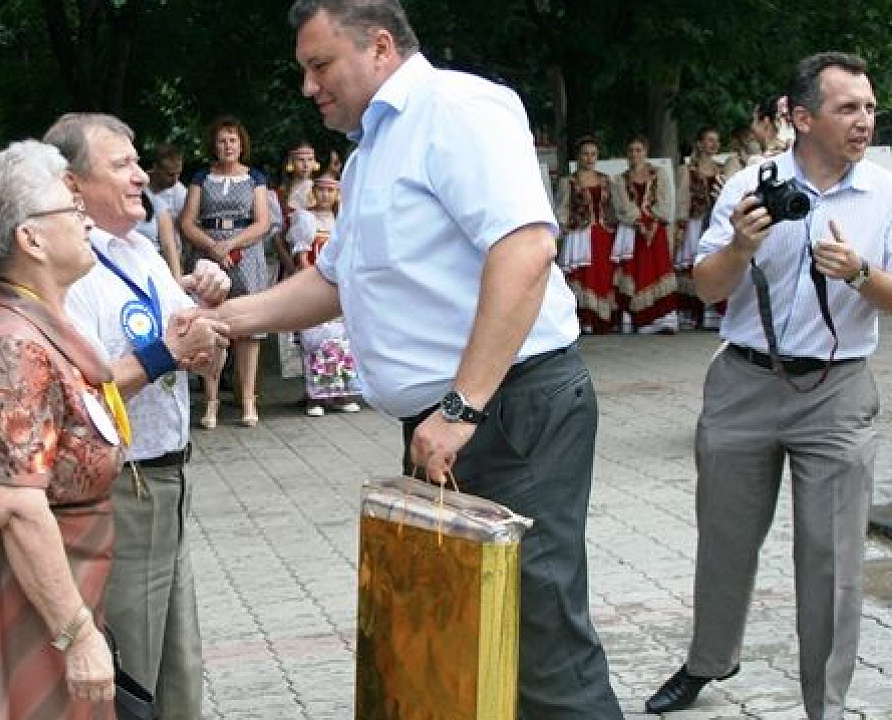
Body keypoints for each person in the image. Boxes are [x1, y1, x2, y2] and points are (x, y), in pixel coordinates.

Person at [215, 2, 625, 718]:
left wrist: (462, 406)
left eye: (320, 65)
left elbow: (525, 248)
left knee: (539, 652)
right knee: (463, 646)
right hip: (452, 424)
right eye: (304, 70)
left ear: (379, 46)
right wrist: (221, 320)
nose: (309, 87)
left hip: (505, 412)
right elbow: (332, 281)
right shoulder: (372, 150)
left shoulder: (456, 109)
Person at [645, 52, 891, 720]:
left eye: (870, 107)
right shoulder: (749, 185)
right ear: (802, 118)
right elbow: (707, 288)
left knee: (832, 560)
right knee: (724, 540)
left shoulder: (884, 193)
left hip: (838, 392)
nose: (865, 120)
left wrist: (860, 273)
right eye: (848, 107)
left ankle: (826, 706)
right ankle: (708, 660)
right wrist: (740, 248)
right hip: (744, 384)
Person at [0, 139, 126, 719]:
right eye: (71, 207)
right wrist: (77, 633)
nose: (87, 219)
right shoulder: (14, 346)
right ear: (30, 238)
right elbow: (13, 504)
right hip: (19, 592)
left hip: (39, 582)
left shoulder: (26, 323)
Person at [45, 112, 232, 720]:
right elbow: (75, 393)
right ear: (72, 185)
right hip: (121, 493)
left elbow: (202, 357)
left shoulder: (140, 252)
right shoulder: (68, 272)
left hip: (167, 484)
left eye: (137, 161)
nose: (141, 175)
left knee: (178, 675)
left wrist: (209, 320)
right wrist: (165, 352)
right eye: (121, 164)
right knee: (128, 677)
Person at [178, 116, 273, 429]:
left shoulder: (255, 178)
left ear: (242, 144)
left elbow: (263, 222)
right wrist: (212, 246)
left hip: (247, 252)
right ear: (214, 146)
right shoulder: (201, 178)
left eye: (233, 140)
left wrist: (231, 244)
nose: (228, 146)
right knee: (209, 322)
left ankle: (247, 400)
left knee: (249, 326)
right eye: (222, 140)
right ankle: (211, 403)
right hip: (208, 251)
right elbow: (187, 222)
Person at [286, 173, 361, 415]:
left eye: (331, 190)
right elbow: (302, 257)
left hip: (340, 285)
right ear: (313, 192)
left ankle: (341, 393)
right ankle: (316, 397)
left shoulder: (343, 220)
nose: (325, 195)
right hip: (316, 282)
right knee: (316, 340)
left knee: (342, 342)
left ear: (338, 194)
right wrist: (314, 280)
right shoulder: (306, 219)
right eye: (321, 190)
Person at [615, 135, 679, 334]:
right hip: (633, 231)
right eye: (631, 150)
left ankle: (664, 317)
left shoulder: (658, 174)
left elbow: (665, 201)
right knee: (637, 270)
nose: (635, 154)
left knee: (658, 268)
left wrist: (653, 222)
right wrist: (639, 222)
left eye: (639, 150)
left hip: (656, 229)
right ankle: (643, 318)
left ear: (646, 152)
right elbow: (622, 206)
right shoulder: (620, 180)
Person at [556, 136, 621, 334]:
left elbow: (613, 207)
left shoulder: (606, 180)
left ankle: (603, 318)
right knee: (583, 276)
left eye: (593, 154)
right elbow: (562, 208)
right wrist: (564, 228)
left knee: (603, 276)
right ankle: (584, 319)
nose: (589, 158)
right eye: (585, 154)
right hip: (580, 235)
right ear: (578, 156)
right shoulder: (568, 181)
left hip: (603, 234)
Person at [675, 126, 728, 330]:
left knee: (715, 263)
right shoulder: (688, 170)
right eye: (709, 140)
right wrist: (680, 226)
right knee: (693, 265)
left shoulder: (722, 170)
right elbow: (682, 199)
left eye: (716, 140)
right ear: (699, 143)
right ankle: (691, 313)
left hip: (715, 222)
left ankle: (712, 311)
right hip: (695, 222)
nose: (714, 144)